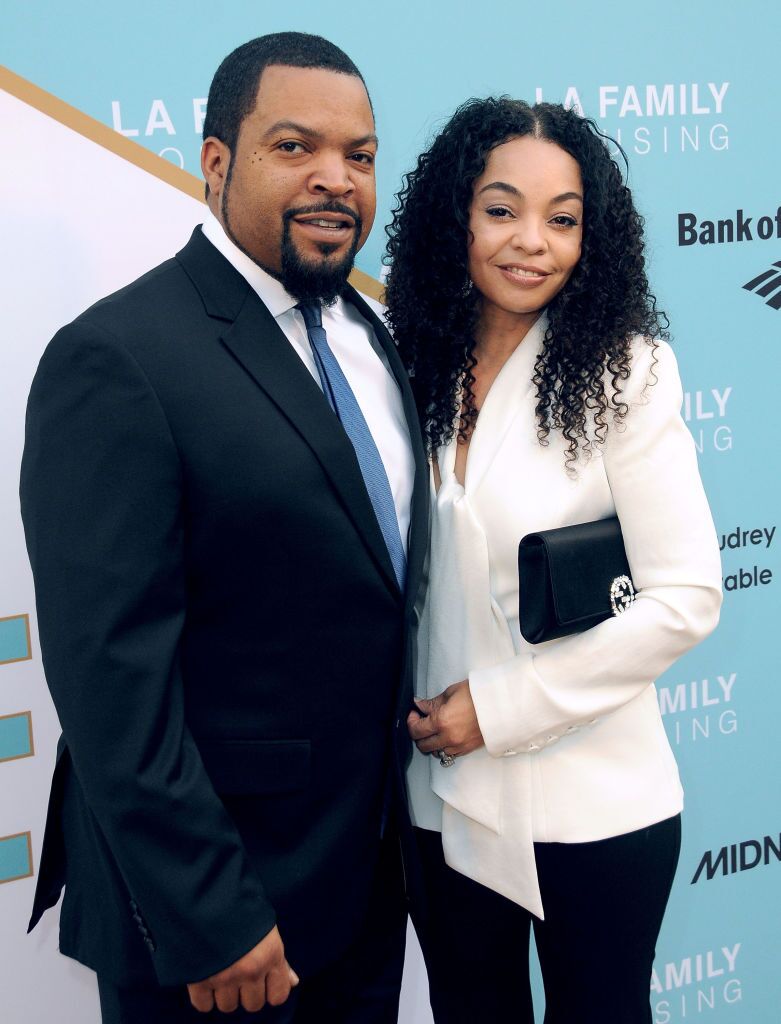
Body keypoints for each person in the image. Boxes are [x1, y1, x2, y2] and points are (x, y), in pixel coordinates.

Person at [20, 32, 428, 1024]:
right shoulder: (118, 358)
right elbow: (112, 678)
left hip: (363, 889)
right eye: (295, 147)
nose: (336, 180)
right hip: (221, 926)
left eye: (360, 156)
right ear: (215, 163)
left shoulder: (368, 331)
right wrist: (210, 913)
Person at [384, 99, 722, 1023]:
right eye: (500, 210)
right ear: (454, 217)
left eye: (562, 219)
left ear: (591, 236)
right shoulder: (399, 362)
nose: (531, 241)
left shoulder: (626, 372)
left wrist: (496, 710)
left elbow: (685, 598)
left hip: (594, 803)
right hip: (439, 797)